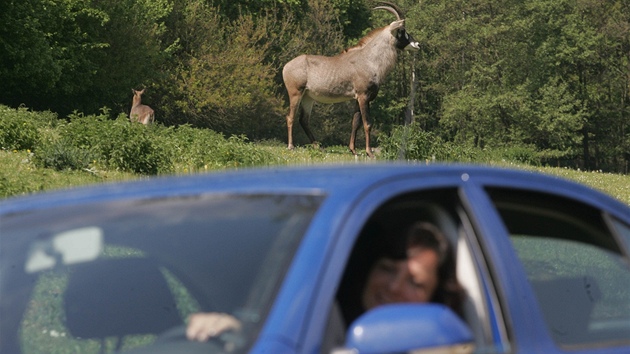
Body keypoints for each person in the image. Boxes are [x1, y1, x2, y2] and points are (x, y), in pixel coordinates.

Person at [186, 221, 464, 342]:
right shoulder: (327, 321)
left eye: (415, 283)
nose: (393, 286)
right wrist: (239, 335)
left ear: (435, 299)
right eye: (387, 268)